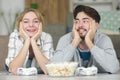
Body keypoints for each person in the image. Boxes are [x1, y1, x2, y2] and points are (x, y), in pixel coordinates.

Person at [50, 5, 120, 73]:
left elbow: (113, 68)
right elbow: (53, 68)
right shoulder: (65, 39)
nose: (80, 25)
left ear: (96, 25)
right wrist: (75, 42)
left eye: (85, 21)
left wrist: (89, 43)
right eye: (77, 21)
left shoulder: (104, 40)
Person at [5, 8, 54, 75]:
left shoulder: (46, 37)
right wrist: (27, 40)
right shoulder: (15, 36)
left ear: (41, 24)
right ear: (20, 25)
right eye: (26, 22)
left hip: (38, 73)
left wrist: (33, 41)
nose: (31, 25)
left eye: (35, 21)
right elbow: (14, 69)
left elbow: (48, 70)